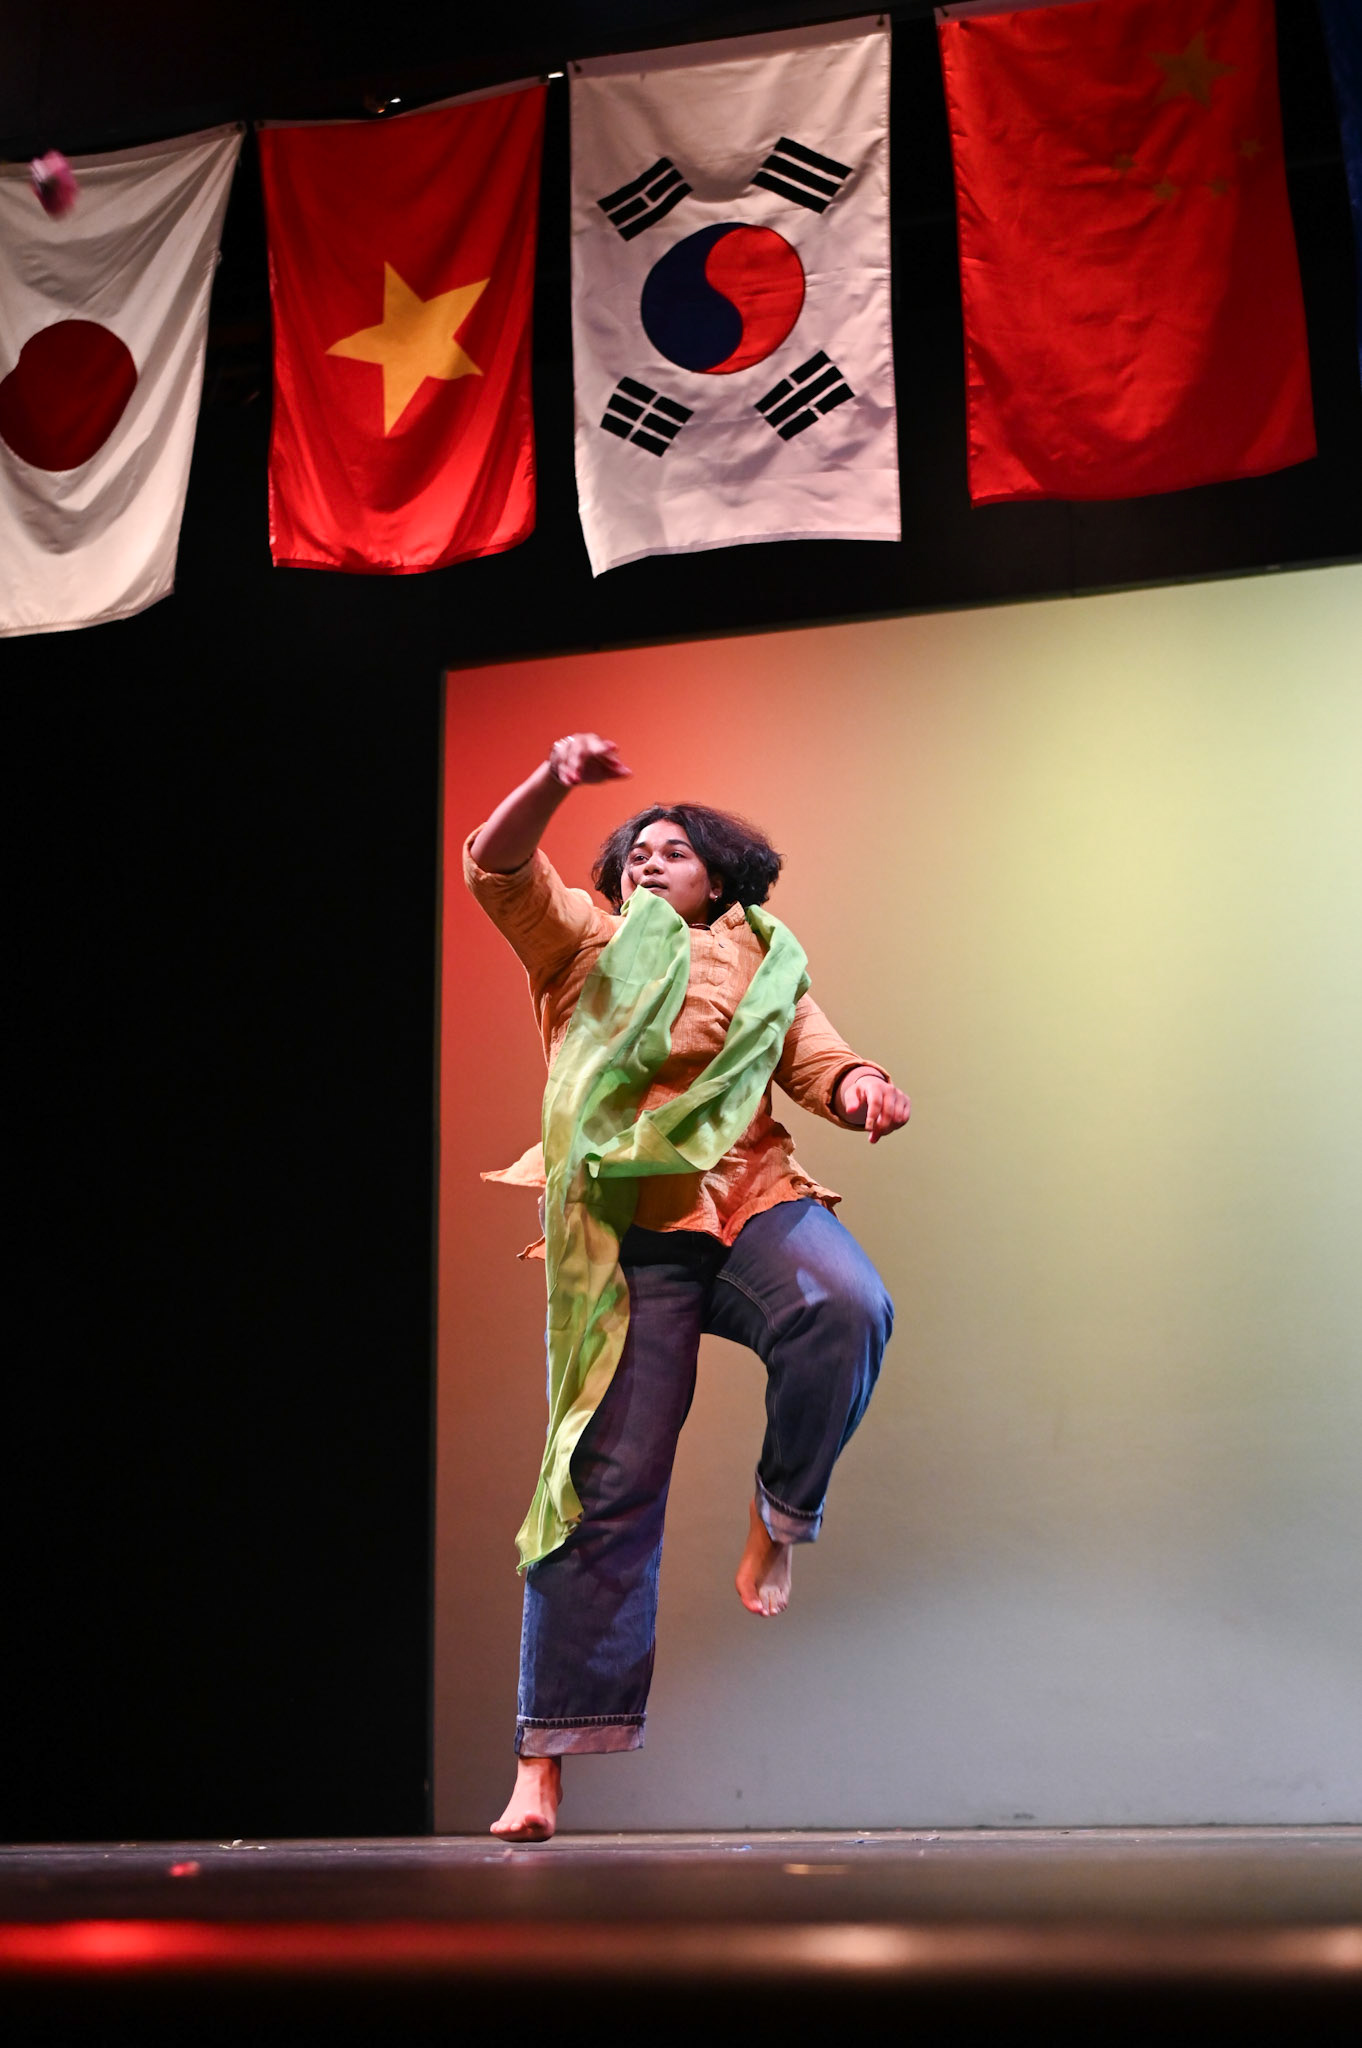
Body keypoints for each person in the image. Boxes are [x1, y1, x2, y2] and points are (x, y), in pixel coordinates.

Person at [466, 732, 910, 1842]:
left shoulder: (767, 959)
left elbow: (816, 1058)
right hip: (626, 1225)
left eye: (674, 851)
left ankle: (779, 1517)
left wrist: (862, 1085)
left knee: (843, 1303)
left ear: (720, 876)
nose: (649, 861)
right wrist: (553, 779)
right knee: (601, 1483)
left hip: (749, 1194)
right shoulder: (584, 939)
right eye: (637, 852)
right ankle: (542, 1765)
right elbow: (498, 866)